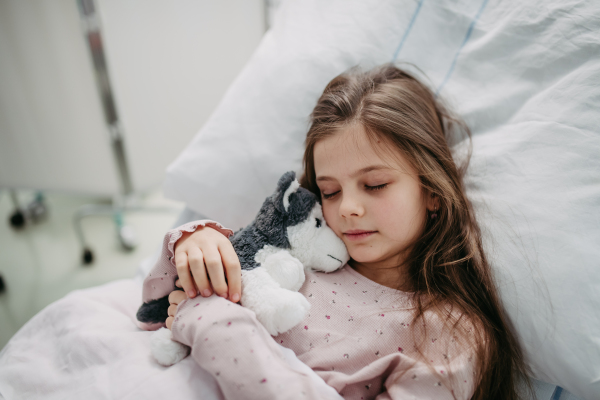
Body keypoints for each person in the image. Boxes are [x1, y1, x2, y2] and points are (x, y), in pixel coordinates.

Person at [141, 64, 530, 399]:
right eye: (330, 191)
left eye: (375, 185)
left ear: (431, 191)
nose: (347, 208)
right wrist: (195, 241)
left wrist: (214, 323)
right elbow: (155, 309)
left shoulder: (446, 336)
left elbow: (198, 315)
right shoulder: (302, 252)